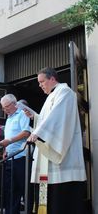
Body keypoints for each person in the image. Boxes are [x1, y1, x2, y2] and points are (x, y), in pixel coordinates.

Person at [26, 67, 86, 214]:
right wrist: (35, 118)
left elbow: (58, 118)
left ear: (52, 79)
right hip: (48, 154)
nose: (40, 85)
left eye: (42, 81)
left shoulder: (65, 92)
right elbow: (48, 120)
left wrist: (38, 133)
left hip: (63, 156)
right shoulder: (51, 96)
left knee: (61, 201)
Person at [0, 94, 31, 214]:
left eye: (6, 106)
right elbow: (8, 136)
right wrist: (5, 150)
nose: (5, 109)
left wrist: (9, 141)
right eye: (3, 107)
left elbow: (26, 132)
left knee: (23, 188)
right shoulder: (9, 118)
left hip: (21, 157)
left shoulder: (22, 113)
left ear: (14, 104)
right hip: (10, 157)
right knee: (10, 190)